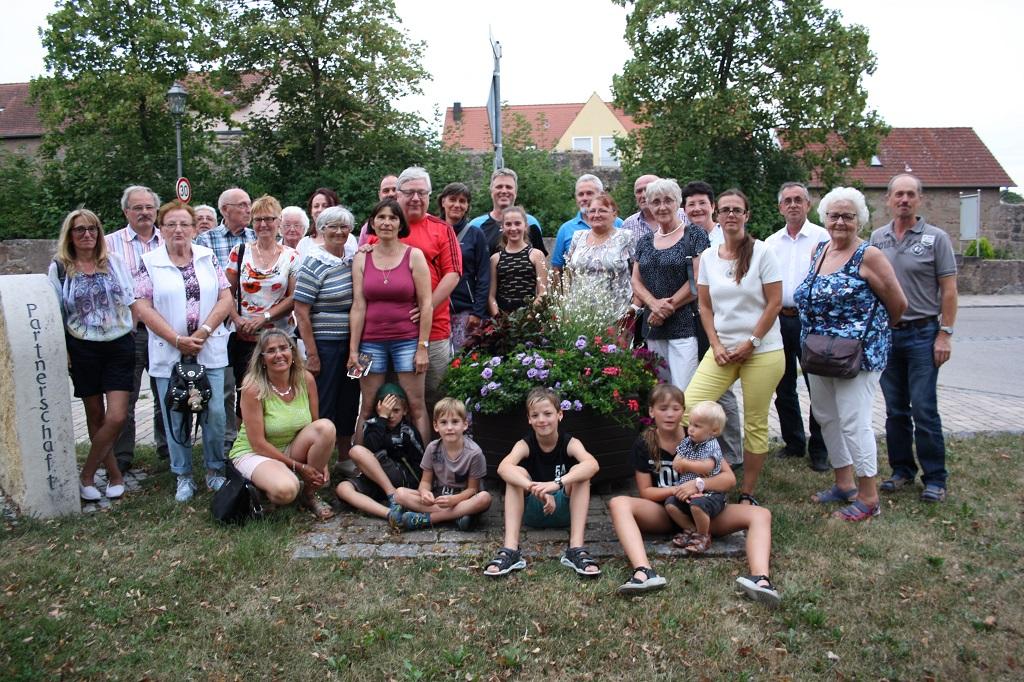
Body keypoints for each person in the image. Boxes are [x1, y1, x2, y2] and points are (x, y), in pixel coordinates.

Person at [608, 385, 780, 605]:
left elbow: (729, 480)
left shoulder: (699, 435)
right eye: (663, 408)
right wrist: (677, 490)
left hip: (703, 511)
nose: (670, 414)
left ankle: (761, 580)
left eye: (675, 408)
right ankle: (643, 572)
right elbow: (646, 492)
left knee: (761, 514)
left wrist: (698, 484)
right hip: (665, 512)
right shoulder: (644, 443)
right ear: (651, 411)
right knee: (619, 503)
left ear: (684, 411)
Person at [797, 187, 907, 521]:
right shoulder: (819, 250)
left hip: (856, 357)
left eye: (848, 216)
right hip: (819, 352)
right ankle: (844, 483)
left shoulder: (868, 255)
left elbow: (898, 304)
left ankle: (869, 496)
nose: (840, 222)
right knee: (826, 417)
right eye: (834, 216)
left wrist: (867, 334)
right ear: (824, 218)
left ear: (859, 220)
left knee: (854, 422)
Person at [684, 189, 784, 506]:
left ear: (746, 215)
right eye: (725, 209)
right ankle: (708, 472)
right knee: (688, 408)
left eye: (736, 210)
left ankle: (747, 492)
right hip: (723, 349)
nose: (730, 214)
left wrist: (752, 342)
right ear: (717, 215)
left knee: (755, 423)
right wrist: (715, 344)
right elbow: (705, 306)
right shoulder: (709, 257)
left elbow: (775, 303)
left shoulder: (763, 253)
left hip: (762, 350)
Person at [134, 201, 234, 503]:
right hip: (169, 351)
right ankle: (183, 475)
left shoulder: (207, 257)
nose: (178, 230)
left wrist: (203, 331)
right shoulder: (149, 261)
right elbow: (142, 306)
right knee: (175, 413)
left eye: (184, 224)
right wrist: (176, 339)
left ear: (193, 228)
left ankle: (215, 469)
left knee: (215, 412)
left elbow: (225, 297)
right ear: (161, 229)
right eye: (171, 224)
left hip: (208, 347)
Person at [871, 174, 958, 503]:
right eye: (898, 194)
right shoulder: (878, 238)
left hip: (923, 334)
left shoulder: (936, 239)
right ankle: (901, 470)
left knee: (923, 408)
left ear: (919, 199)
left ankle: (935, 477)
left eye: (910, 194)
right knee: (895, 410)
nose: (904, 200)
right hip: (888, 335)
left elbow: (949, 290)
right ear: (889, 200)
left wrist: (945, 334)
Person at [50, 209, 138, 501]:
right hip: (82, 347)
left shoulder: (113, 261)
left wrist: (131, 330)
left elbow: (131, 298)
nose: (87, 234)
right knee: (95, 414)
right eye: (80, 229)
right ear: (70, 235)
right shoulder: (60, 267)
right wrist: (66, 351)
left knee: (117, 415)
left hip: (118, 344)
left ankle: (86, 473)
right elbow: (56, 311)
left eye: (92, 229)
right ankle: (114, 475)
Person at [368, 166, 462, 407]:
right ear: (397, 194)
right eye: (409, 192)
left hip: (434, 331)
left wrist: (426, 307)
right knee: (390, 398)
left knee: (434, 398)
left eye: (422, 193)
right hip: (388, 333)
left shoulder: (442, 229)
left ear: (430, 196)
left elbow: (453, 274)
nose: (416, 198)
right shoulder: (381, 228)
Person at [484, 388, 601, 578]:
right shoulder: (525, 444)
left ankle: (576, 549)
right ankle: (511, 550)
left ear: (560, 415)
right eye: (535, 415)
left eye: (547, 413)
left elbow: (593, 465)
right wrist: (534, 488)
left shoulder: (570, 442)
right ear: (529, 419)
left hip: (565, 509)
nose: (542, 420)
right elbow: (502, 468)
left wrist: (556, 484)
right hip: (533, 509)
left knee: (580, 472)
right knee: (516, 473)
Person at [228, 329, 336, 519]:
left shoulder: (306, 379)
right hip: (254, 452)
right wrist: (300, 467)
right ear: (262, 359)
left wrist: (323, 462)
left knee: (326, 427)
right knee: (286, 491)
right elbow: (257, 444)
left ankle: (309, 495)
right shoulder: (253, 387)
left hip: (290, 447)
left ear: (292, 353)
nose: (278, 355)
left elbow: (314, 424)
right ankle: (262, 489)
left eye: (283, 348)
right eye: (271, 351)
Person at [349, 198, 433, 442]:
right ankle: (360, 460)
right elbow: (358, 305)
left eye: (392, 218)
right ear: (373, 223)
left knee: (415, 406)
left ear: (400, 224)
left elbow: (426, 304)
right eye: (381, 217)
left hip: (407, 341)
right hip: (370, 343)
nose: (386, 222)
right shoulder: (362, 257)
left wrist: (422, 347)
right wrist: (353, 351)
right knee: (367, 406)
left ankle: (423, 463)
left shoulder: (414, 256)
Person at [764, 182, 831, 471]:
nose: (793, 205)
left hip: (811, 321)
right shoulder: (771, 243)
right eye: (787, 200)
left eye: (798, 200)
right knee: (783, 384)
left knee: (818, 386)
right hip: (779, 319)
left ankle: (820, 448)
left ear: (808, 205)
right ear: (780, 207)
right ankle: (793, 443)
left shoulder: (824, 238)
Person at [680, 180, 743, 468]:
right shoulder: (684, 237)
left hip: (723, 322)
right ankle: (701, 448)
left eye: (702, 203)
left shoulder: (725, 238)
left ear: (713, 207)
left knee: (723, 388)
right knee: (700, 383)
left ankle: (733, 454)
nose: (696, 209)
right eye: (691, 204)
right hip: (692, 319)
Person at [293, 206, 362, 466]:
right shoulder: (313, 263)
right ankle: (316, 464)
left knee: (350, 399)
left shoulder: (353, 260)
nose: (339, 231)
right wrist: (312, 354)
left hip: (355, 346)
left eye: (344, 226)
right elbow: (301, 312)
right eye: (332, 226)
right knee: (324, 402)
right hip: (325, 347)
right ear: (321, 230)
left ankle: (344, 457)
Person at [104, 185, 165, 472]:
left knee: (166, 391)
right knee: (125, 395)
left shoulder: (169, 238)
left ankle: (168, 449)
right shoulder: (109, 244)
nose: (144, 212)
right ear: (126, 211)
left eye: (149, 207)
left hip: (165, 330)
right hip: (129, 332)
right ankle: (122, 455)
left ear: (156, 210)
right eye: (137, 208)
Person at [631, 179, 710, 388]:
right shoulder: (644, 242)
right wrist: (653, 305)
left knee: (683, 390)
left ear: (678, 202)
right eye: (656, 202)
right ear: (649, 205)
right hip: (653, 326)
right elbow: (636, 281)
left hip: (684, 326)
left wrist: (666, 308)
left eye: (668, 200)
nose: (662, 207)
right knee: (660, 390)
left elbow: (698, 279)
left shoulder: (694, 235)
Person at [225, 195, 298, 416]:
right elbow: (226, 292)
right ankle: (245, 437)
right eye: (258, 219)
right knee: (246, 396)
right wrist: (237, 319)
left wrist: (264, 317)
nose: (263, 224)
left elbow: (293, 298)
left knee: (281, 394)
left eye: (269, 219)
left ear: (279, 222)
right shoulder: (239, 252)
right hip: (245, 337)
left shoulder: (291, 256)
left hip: (280, 338)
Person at [197, 187, 256, 455]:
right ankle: (225, 440)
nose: (247, 209)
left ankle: (250, 436)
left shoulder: (255, 237)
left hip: (251, 327)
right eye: (241, 204)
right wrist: (234, 317)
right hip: (219, 327)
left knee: (249, 384)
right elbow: (214, 287)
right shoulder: (205, 240)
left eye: (248, 203)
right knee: (223, 387)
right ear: (224, 210)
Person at [388, 397, 493, 532]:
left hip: (463, 499)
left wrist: (454, 500)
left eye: (455, 422)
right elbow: (425, 481)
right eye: (443, 422)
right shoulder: (432, 448)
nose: (449, 428)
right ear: (436, 426)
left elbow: (472, 489)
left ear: (465, 424)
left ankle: (428, 519)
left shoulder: (474, 453)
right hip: (438, 498)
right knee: (399, 494)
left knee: (485, 498)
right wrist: (425, 492)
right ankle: (457, 516)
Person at [335, 383, 425, 521]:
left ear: (405, 410)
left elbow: (420, 463)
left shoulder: (407, 431)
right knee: (343, 488)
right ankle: (390, 514)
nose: (391, 416)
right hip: (376, 480)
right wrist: (381, 418)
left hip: (401, 480)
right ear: (378, 409)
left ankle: (392, 494)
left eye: (396, 411)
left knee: (356, 451)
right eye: (387, 411)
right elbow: (372, 445)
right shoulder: (373, 425)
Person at [663, 400, 727, 555]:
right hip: (688, 492)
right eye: (690, 424)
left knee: (697, 506)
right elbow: (677, 459)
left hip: (709, 494)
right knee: (670, 504)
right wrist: (679, 461)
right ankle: (692, 530)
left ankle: (703, 536)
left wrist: (685, 463)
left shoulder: (712, 445)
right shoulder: (688, 441)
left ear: (714, 430)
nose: (690, 429)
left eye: (697, 426)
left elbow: (706, 467)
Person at [564, 192, 635, 317]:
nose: (596, 215)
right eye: (592, 211)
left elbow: (639, 274)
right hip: (579, 313)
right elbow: (569, 273)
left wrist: (634, 307)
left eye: (602, 210)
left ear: (614, 214)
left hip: (618, 313)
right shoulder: (578, 237)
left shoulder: (626, 237)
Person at [439, 182, 490, 350]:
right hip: (437, 309)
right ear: (443, 202)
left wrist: (477, 312)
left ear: (467, 206)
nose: (457, 205)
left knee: (463, 361)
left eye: (462, 201)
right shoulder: (433, 231)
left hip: (466, 311)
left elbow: (484, 275)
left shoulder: (475, 234)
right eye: (452, 199)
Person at [551, 173, 624, 276]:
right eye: (580, 194)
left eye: (589, 193)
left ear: (602, 195)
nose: (584, 198)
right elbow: (557, 268)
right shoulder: (566, 229)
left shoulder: (619, 224)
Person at [466, 168, 547, 255]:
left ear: (515, 192)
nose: (504, 191)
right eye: (499, 187)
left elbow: (540, 259)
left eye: (509, 187)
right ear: (491, 191)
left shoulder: (531, 223)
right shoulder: (476, 226)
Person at [488, 205, 548, 315]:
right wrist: (498, 318)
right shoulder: (495, 259)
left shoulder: (537, 255)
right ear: (502, 227)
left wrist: (528, 317)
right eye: (508, 224)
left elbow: (542, 293)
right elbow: (491, 296)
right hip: (503, 317)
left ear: (525, 226)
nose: (513, 228)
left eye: (517, 223)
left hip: (530, 316)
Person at [620, 174, 686, 243]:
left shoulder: (686, 216)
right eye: (639, 191)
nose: (643, 195)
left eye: (647, 189)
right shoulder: (628, 225)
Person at [298, 187, 358, 259]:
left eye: (325, 206)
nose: (320, 210)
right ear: (311, 211)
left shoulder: (348, 239)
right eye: (316, 206)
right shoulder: (304, 243)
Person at [357, 174, 400, 245]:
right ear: (379, 195)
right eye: (386, 190)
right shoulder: (367, 228)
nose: (391, 194)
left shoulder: (412, 222)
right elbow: (361, 250)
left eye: (394, 189)